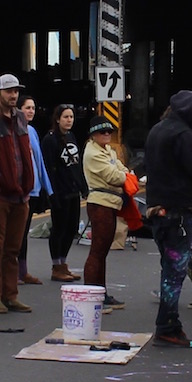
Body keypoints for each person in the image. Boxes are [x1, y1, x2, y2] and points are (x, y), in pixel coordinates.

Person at [141, 90, 192, 347]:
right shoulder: (184, 135)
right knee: (174, 274)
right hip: (177, 214)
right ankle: (166, 327)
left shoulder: (159, 130)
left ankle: (170, 324)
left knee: (170, 269)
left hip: (159, 212)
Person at [0, 74, 35, 314]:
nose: (13, 95)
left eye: (15, 91)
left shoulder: (20, 118)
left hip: (21, 193)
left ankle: (10, 295)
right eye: (8, 91)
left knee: (13, 248)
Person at [80, 119, 127, 310]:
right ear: (93, 135)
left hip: (110, 203)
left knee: (103, 251)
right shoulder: (93, 153)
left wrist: (124, 174)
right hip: (100, 204)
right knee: (97, 251)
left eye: (109, 131)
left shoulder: (108, 150)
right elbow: (114, 176)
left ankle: (101, 293)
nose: (107, 134)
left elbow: (121, 169)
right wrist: (127, 176)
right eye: (102, 132)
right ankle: (92, 295)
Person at [42, 105, 87, 282]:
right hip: (60, 191)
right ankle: (56, 266)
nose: (69, 120)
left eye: (71, 117)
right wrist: (51, 193)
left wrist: (83, 187)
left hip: (73, 190)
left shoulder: (71, 136)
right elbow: (48, 168)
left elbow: (76, 165)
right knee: (59, 228)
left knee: (72, 228)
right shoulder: (50, 139)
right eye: (65, 117)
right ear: (57, 119)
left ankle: (63, 262)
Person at [16, 95, 52, 285]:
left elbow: (39, 162)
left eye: (33, 108)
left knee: (23, 233)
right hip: (21, 190)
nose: (31, 111)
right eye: (27, 107)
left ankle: (23, 271)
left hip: (34, 189)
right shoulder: (14, 130)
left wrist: (48, 188)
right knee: (17, 233)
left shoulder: (31, 131)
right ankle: (13, 272)